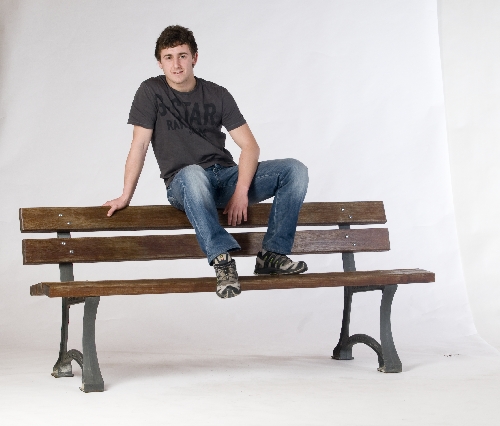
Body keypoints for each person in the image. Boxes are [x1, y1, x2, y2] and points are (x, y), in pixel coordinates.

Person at [103, 25, 309, 299]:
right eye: (168, 57)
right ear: (160, 62)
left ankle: (272, 255)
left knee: (294, 170)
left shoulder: (217, 94)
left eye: (182, 56)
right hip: (184, 184)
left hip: (225, 178)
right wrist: (125, 196)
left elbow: (250, 147)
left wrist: (240, 192)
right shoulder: (150, 91)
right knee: (192, 173)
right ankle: (222, 260)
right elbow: (139, 146)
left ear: (195, 58)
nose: (176, 65)